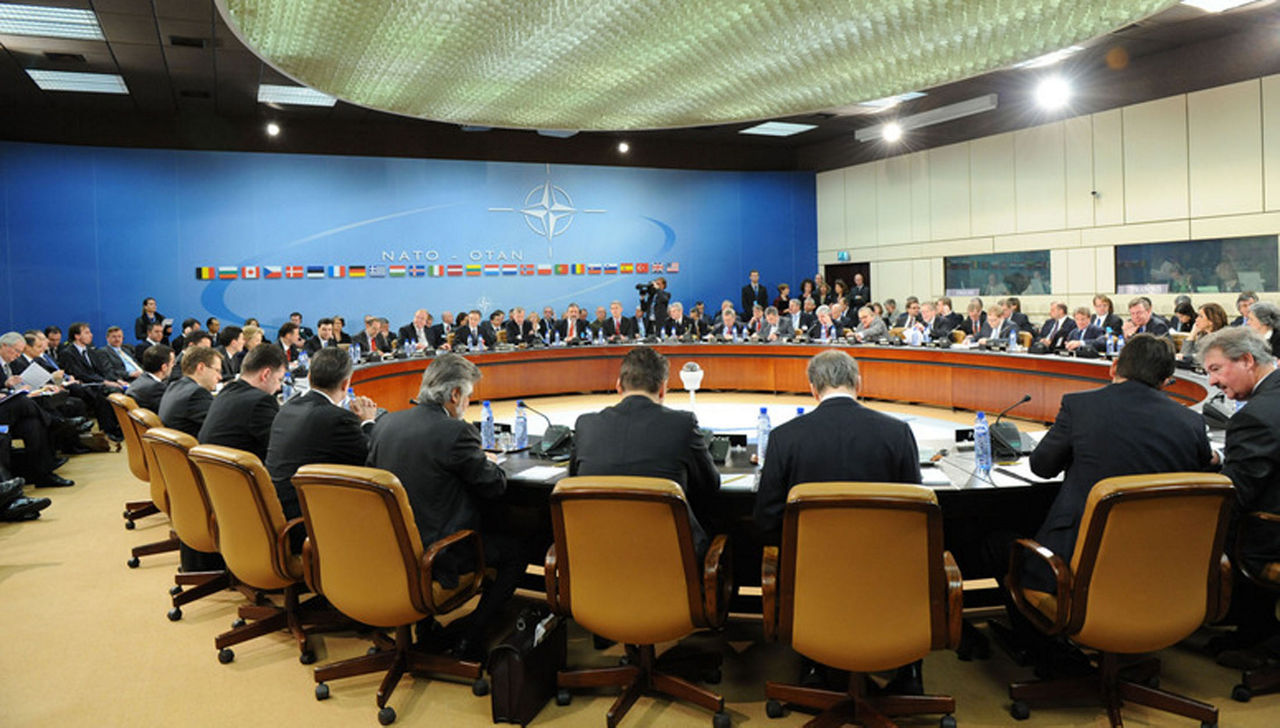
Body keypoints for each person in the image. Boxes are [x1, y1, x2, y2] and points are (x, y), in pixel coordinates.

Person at [752, 349, 923, 693]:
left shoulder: (785, 438)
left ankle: (815, 662)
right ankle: (908, 672)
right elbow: (914, 512)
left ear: (813, 390)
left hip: (812, 577)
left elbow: (766, 518)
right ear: (859, 383)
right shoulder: (897, 432)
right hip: (886, 574)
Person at [1026, 334, 1211, 592]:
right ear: (1166, 380)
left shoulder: (1079, 406)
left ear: (1114, 367)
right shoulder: (1191, 422)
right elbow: (1204, 466)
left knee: (995, 547)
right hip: (1163, 568)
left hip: (1075, 566)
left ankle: (1037, 631)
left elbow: (1042, 467)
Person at [366, 354, 514, 659]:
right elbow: (494, 485)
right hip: (439, 556)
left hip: (390, 552)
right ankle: (471, 637)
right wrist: (492, 462)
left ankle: (426, 627)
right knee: (519, 548)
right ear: (455, 395)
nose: (468, 404)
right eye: (469, 397)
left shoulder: (385, 423)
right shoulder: (455, 432)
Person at [571, 347, 719, 556]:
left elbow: (573, 479)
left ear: (618, 387)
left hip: (596, 554)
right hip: (670, 557)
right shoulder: (682, 424)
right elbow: (710, 486)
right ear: (662, 390)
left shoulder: (585, 424)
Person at [1199, 326, 1280, 662]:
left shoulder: (1256, 417)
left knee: (1211, 528)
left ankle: (1254, 632)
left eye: (1216, 370)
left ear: (1247, 360)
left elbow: (1236, 495)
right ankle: (1254, 630)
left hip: (1271, 536)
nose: (1213, 383)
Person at [265, 348, 378, 542]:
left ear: (309, 377)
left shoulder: (287, 408)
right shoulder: (337, 419)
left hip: (275, 517)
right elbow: (372, 460)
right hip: (307, 526)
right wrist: (368, 423)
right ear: (346, 384)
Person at [0, 332, 73, 488]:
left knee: (34, 425)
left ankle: (43, 476)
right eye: (15, 351)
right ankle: (53, 421)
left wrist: (9, 386)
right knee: (22, 400)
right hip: (4, 410)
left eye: (20, 352)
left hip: (9, 411)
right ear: (4, 346)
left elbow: (7, 389)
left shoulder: (7, 365)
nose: (17, 355)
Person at [197, 343, 286, 462]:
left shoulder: (226, 392)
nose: (279, 387)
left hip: (212, 475)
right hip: (241, 476)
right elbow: (283, 448)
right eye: (279, 379)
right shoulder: (261, 402)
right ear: (266, 374)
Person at [157, 346, 222, 438]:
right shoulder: (196, 394)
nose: (220, 377)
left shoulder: (174, 386)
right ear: (201, 367)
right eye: (217, 371)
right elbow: (222, 425)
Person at [128, 344, 173, 412]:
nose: (174, 366)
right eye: (172, 363)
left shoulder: (140, 380)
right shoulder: (157, 388)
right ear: (164, 367)